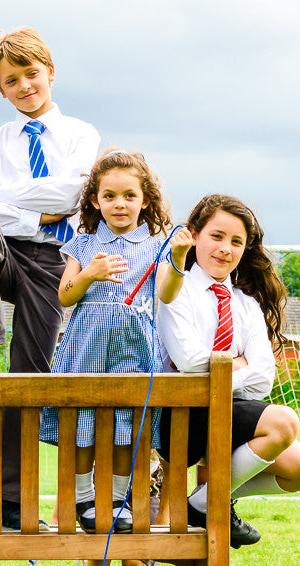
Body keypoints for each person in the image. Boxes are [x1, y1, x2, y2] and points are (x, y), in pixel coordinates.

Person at [0, 27, 100, 531]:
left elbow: (75, 195)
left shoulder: (81, 135)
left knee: (29, 374)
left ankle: (11, 498)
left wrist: (10, 194)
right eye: (11, 81)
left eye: (31, 74)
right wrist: (35, 210)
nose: (24, 86)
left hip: (55, 261)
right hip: (4, 252)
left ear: (49, 72)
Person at [157, 194, 300, 547]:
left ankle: (203, 501)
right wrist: (237, 363)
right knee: (284, 422)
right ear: (194, 236)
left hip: (229, 410)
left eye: (236, 241)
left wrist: (220, 371)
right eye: (217, 236)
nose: (225, 248)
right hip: (185, 415)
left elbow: (264, 377)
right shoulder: (176, 289)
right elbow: (187, 361)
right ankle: (206, 503)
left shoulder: (246, 304)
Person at [39, 149, 191, 533]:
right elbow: (65, 296)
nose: (119, 204)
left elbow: (167, 294)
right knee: (82, 425)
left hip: (134, 351)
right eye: (109, 196)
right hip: (86, 348)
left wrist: (177, 258)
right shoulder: (84, 244)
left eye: (129, 195)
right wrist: (89, 274)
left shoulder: (157, 246)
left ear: (145, 201)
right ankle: (83, 499)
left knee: (128, 426)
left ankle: (117, 501)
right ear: (95, 201)